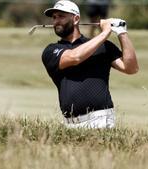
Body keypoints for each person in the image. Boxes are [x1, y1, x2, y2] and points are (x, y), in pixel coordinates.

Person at [41, 0, 138, 129]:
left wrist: (122, 33)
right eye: (54, 17)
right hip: (70, 124)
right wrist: (105, 33)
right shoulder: (51, 50)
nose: (56, 21)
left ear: (76, 19)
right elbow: (75, 57)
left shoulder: (103, 46)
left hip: (101, 120)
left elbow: (131, 68)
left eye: (61, 16)